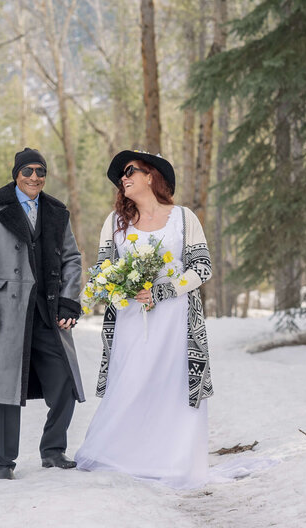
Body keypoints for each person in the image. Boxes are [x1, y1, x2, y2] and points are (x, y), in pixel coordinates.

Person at [75, 150, 214, 488]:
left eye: (130, 171)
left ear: (151, 176)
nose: (123, 178)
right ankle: (124, 455)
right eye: (121, 176)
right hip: (130, 320)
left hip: (177, 322)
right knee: (132, 382)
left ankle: (172, 460)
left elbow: (202, 268)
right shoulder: (115, 222)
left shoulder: (183, 218)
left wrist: (164, 290)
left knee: (173, 387)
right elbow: (103, 269)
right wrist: (88, 298)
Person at [0, 148, 85, 480]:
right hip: (5, 311)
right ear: (16, 173)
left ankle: (53, 450)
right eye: (28, 171)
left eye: (40, 171)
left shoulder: (57, 210)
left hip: (47, 310)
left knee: (65, 380)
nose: (35, 177)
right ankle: (2, 463)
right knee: (3, 388)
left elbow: (72, 259)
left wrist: (69, 300)